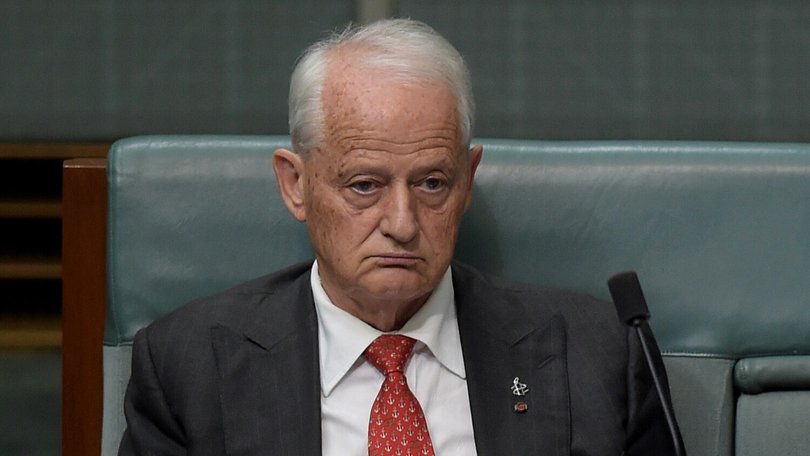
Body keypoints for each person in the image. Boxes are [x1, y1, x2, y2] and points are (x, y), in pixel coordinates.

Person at [119, 18, 682, 455]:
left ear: (467, 181)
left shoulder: (598, 354)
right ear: (296, 185)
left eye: (432, 183)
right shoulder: (189, 368)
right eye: (364, 186)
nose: (403, 223)